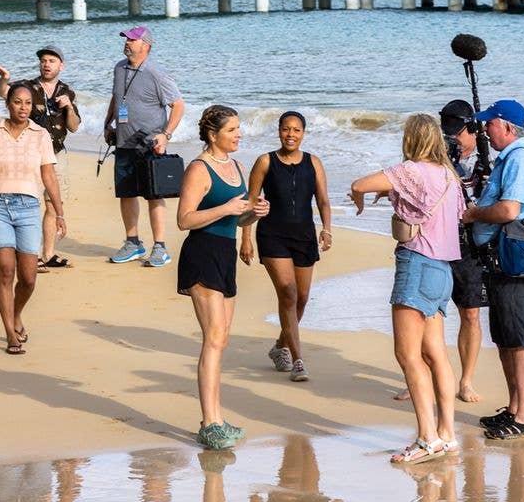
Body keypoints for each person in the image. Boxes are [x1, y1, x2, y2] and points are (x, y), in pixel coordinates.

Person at [350, 113, 465, 465]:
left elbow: (359, 184)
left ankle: (426, 437)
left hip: (416, 263)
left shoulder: (410, 171)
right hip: (444, 270)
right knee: (437, 355)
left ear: (412, 139)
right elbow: (455, 215)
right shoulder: (450, 176)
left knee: (408, 355)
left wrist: (362, 199)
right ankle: (447, 434)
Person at [176, 105, 269, 450]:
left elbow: (237, 221)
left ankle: (215, 417)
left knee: (222, 339)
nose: (239, 135)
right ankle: (209, 422)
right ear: (213, 135)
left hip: (225, 253)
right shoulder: (198, 169)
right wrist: (228, 208)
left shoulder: (237, 167)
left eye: (239, 129)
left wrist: (253, 214)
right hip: (201, 254)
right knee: (213, 339)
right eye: (232, 130)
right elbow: (184, 220)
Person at [460, 99, 524, 440]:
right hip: (501, 260)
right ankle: (514, 408)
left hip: (514, 263)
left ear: (507, 127)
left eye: (489, 124)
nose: (484, 129)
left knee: (519, 339)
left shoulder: (520, 159)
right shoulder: (509, 158)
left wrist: (473, 214)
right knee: (507, 337)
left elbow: (509, 210)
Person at [395, 99, 488, 403]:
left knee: (470, 313)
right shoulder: (439, 157)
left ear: (472, 129)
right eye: (446, 131)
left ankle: (466, 380)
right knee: (424, 314)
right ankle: (419, 377)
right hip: (437, 242)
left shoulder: (485, 162)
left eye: (458, 132)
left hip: (470, 246)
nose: (453, 138)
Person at [0, 83, 64, 354]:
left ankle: (16, 314)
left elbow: (49, 176)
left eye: (28, 103)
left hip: (28, 207)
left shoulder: (40, 134)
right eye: (18, 102)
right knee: (6, 271)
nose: (23, 107)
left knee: (29, 277)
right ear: (8, 103)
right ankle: (10, 332)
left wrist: (59, 211)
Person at [243, 111, 332, 383]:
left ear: (303, 133)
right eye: (285, 129)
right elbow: (251, 201)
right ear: (279, 131)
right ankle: (298, 360)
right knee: (288, 292)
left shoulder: (313, 163)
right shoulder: (265, 161)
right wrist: (246, 237)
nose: (290, 134)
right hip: (273, 235)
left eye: (296, 130)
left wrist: (327, 229)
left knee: (302, 297)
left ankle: (280, 345)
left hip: (304, 235)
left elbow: (323, 201)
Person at [0, 46, 80, 270]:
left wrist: (68, 106)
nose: (46, 64)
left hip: (56, 154)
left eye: (51, 60)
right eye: (43, 60)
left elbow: (74, 127)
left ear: (62, 66)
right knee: (27, 203)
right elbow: (1, 92)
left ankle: (47, 255)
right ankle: (28, 256)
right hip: (28, 155)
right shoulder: (27, 87)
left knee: (53, 203)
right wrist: (4, 79)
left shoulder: (66, 91)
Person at [103, 26, 184, 268]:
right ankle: (133, 243)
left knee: (154, 194)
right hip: (124, 141)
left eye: (132, 40)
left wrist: (166, 134)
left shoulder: (156, 72)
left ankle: (160, 247)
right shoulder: (119, 67)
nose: (127, 43)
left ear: (146, 45)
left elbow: (178, 105)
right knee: (126, 193)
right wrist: (108, 122)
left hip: (150, 143)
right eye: (126, 39)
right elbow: (117, 97)